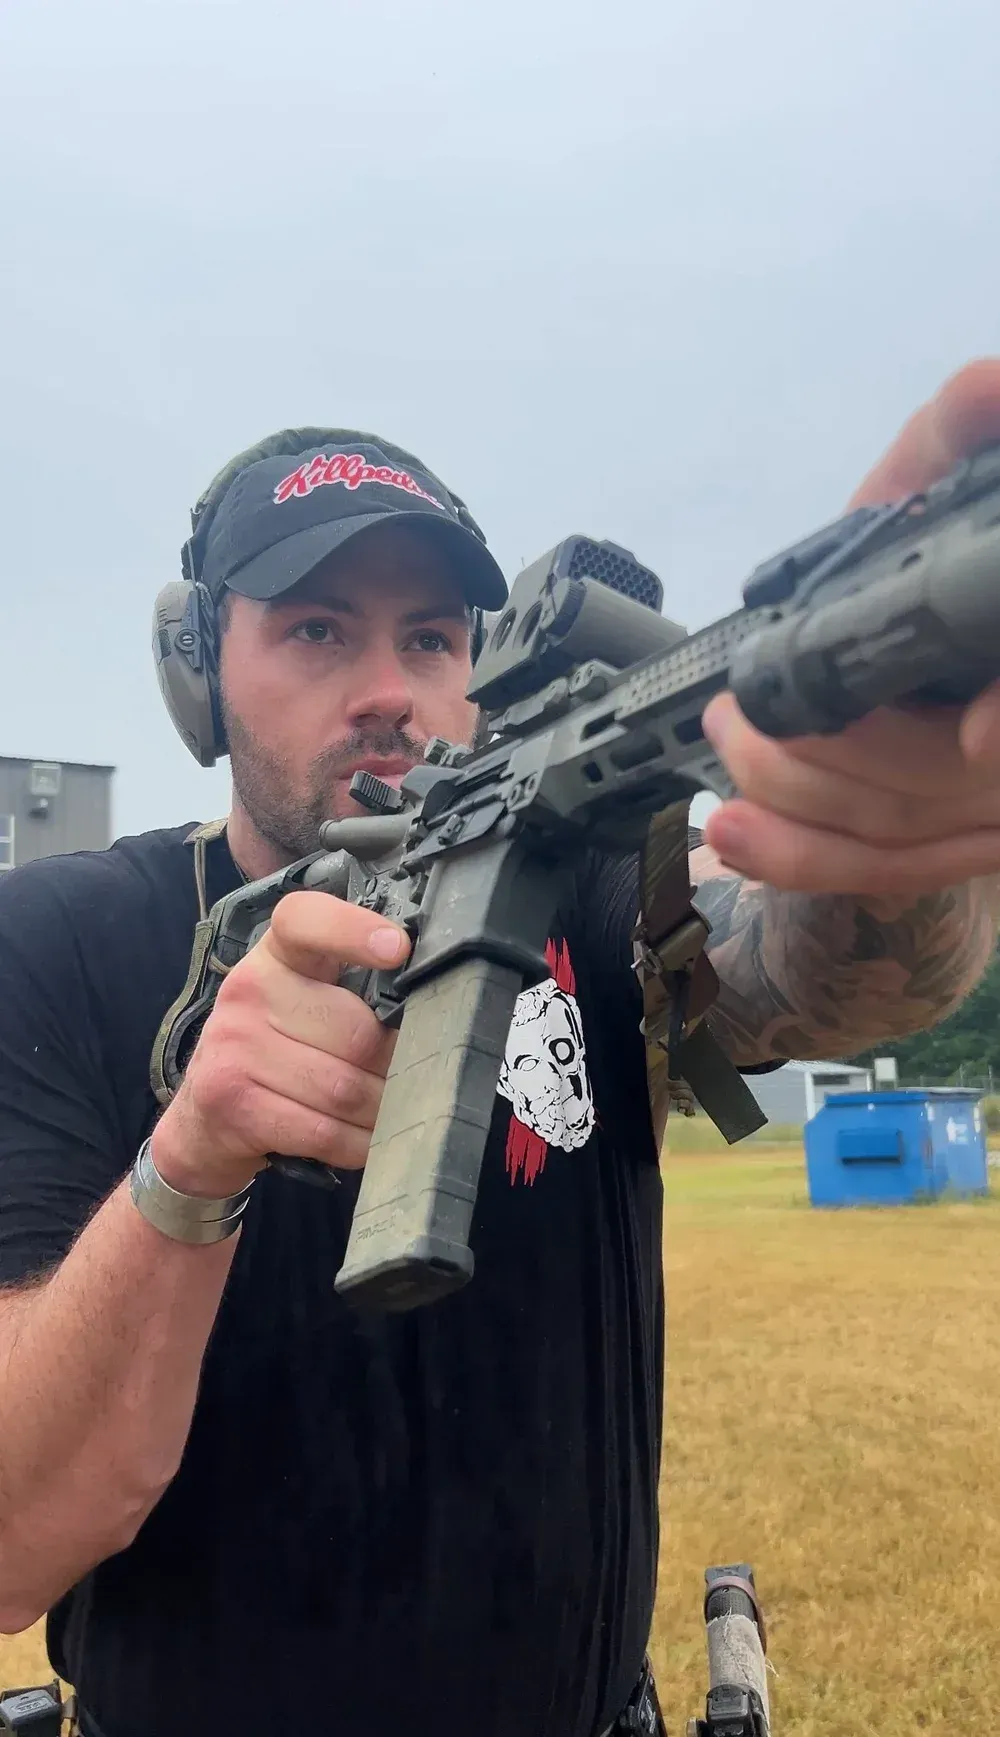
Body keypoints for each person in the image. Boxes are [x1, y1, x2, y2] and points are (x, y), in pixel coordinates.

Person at [0, 363, 998, 1737]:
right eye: (314, 632)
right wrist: (190, 1163)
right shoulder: (60, 944)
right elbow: (11, 1542)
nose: (388, 693)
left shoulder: (604, 891)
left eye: (430, 637)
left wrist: (896, 802)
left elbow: (852, 980)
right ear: (198, 678)